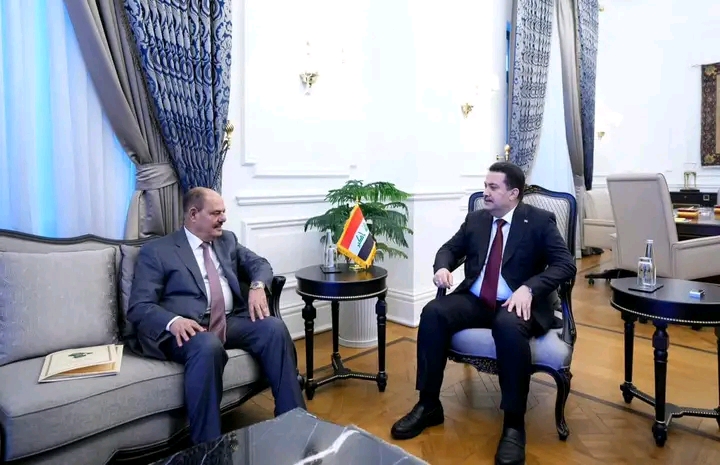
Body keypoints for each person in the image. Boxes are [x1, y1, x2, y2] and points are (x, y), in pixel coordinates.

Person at [390, 162, 576, 465]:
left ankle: (514, 425)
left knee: (507, 326)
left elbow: (565, 264)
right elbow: (449, 249)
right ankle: (428, 404)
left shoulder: (539, 221)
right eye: (485, 185)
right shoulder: (476, 219)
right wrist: (442, 267)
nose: (485, 192)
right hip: (477, 299)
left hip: (516, 303)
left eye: (493, 187)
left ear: (513, 193)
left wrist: (529, 288)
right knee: (434, 312)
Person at [127, 187, 306, 444]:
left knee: (273, 328)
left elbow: (260, 264)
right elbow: (139, 305)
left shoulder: (227, 240)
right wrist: (173, 321)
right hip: (187, 329)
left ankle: (295, 422)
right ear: (193, 214)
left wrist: (257, 286)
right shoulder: (158, 251)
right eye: (216, 213)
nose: (223, 218)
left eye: (223, 212)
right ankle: (208, 446)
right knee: (207, 345)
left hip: (228, 320)